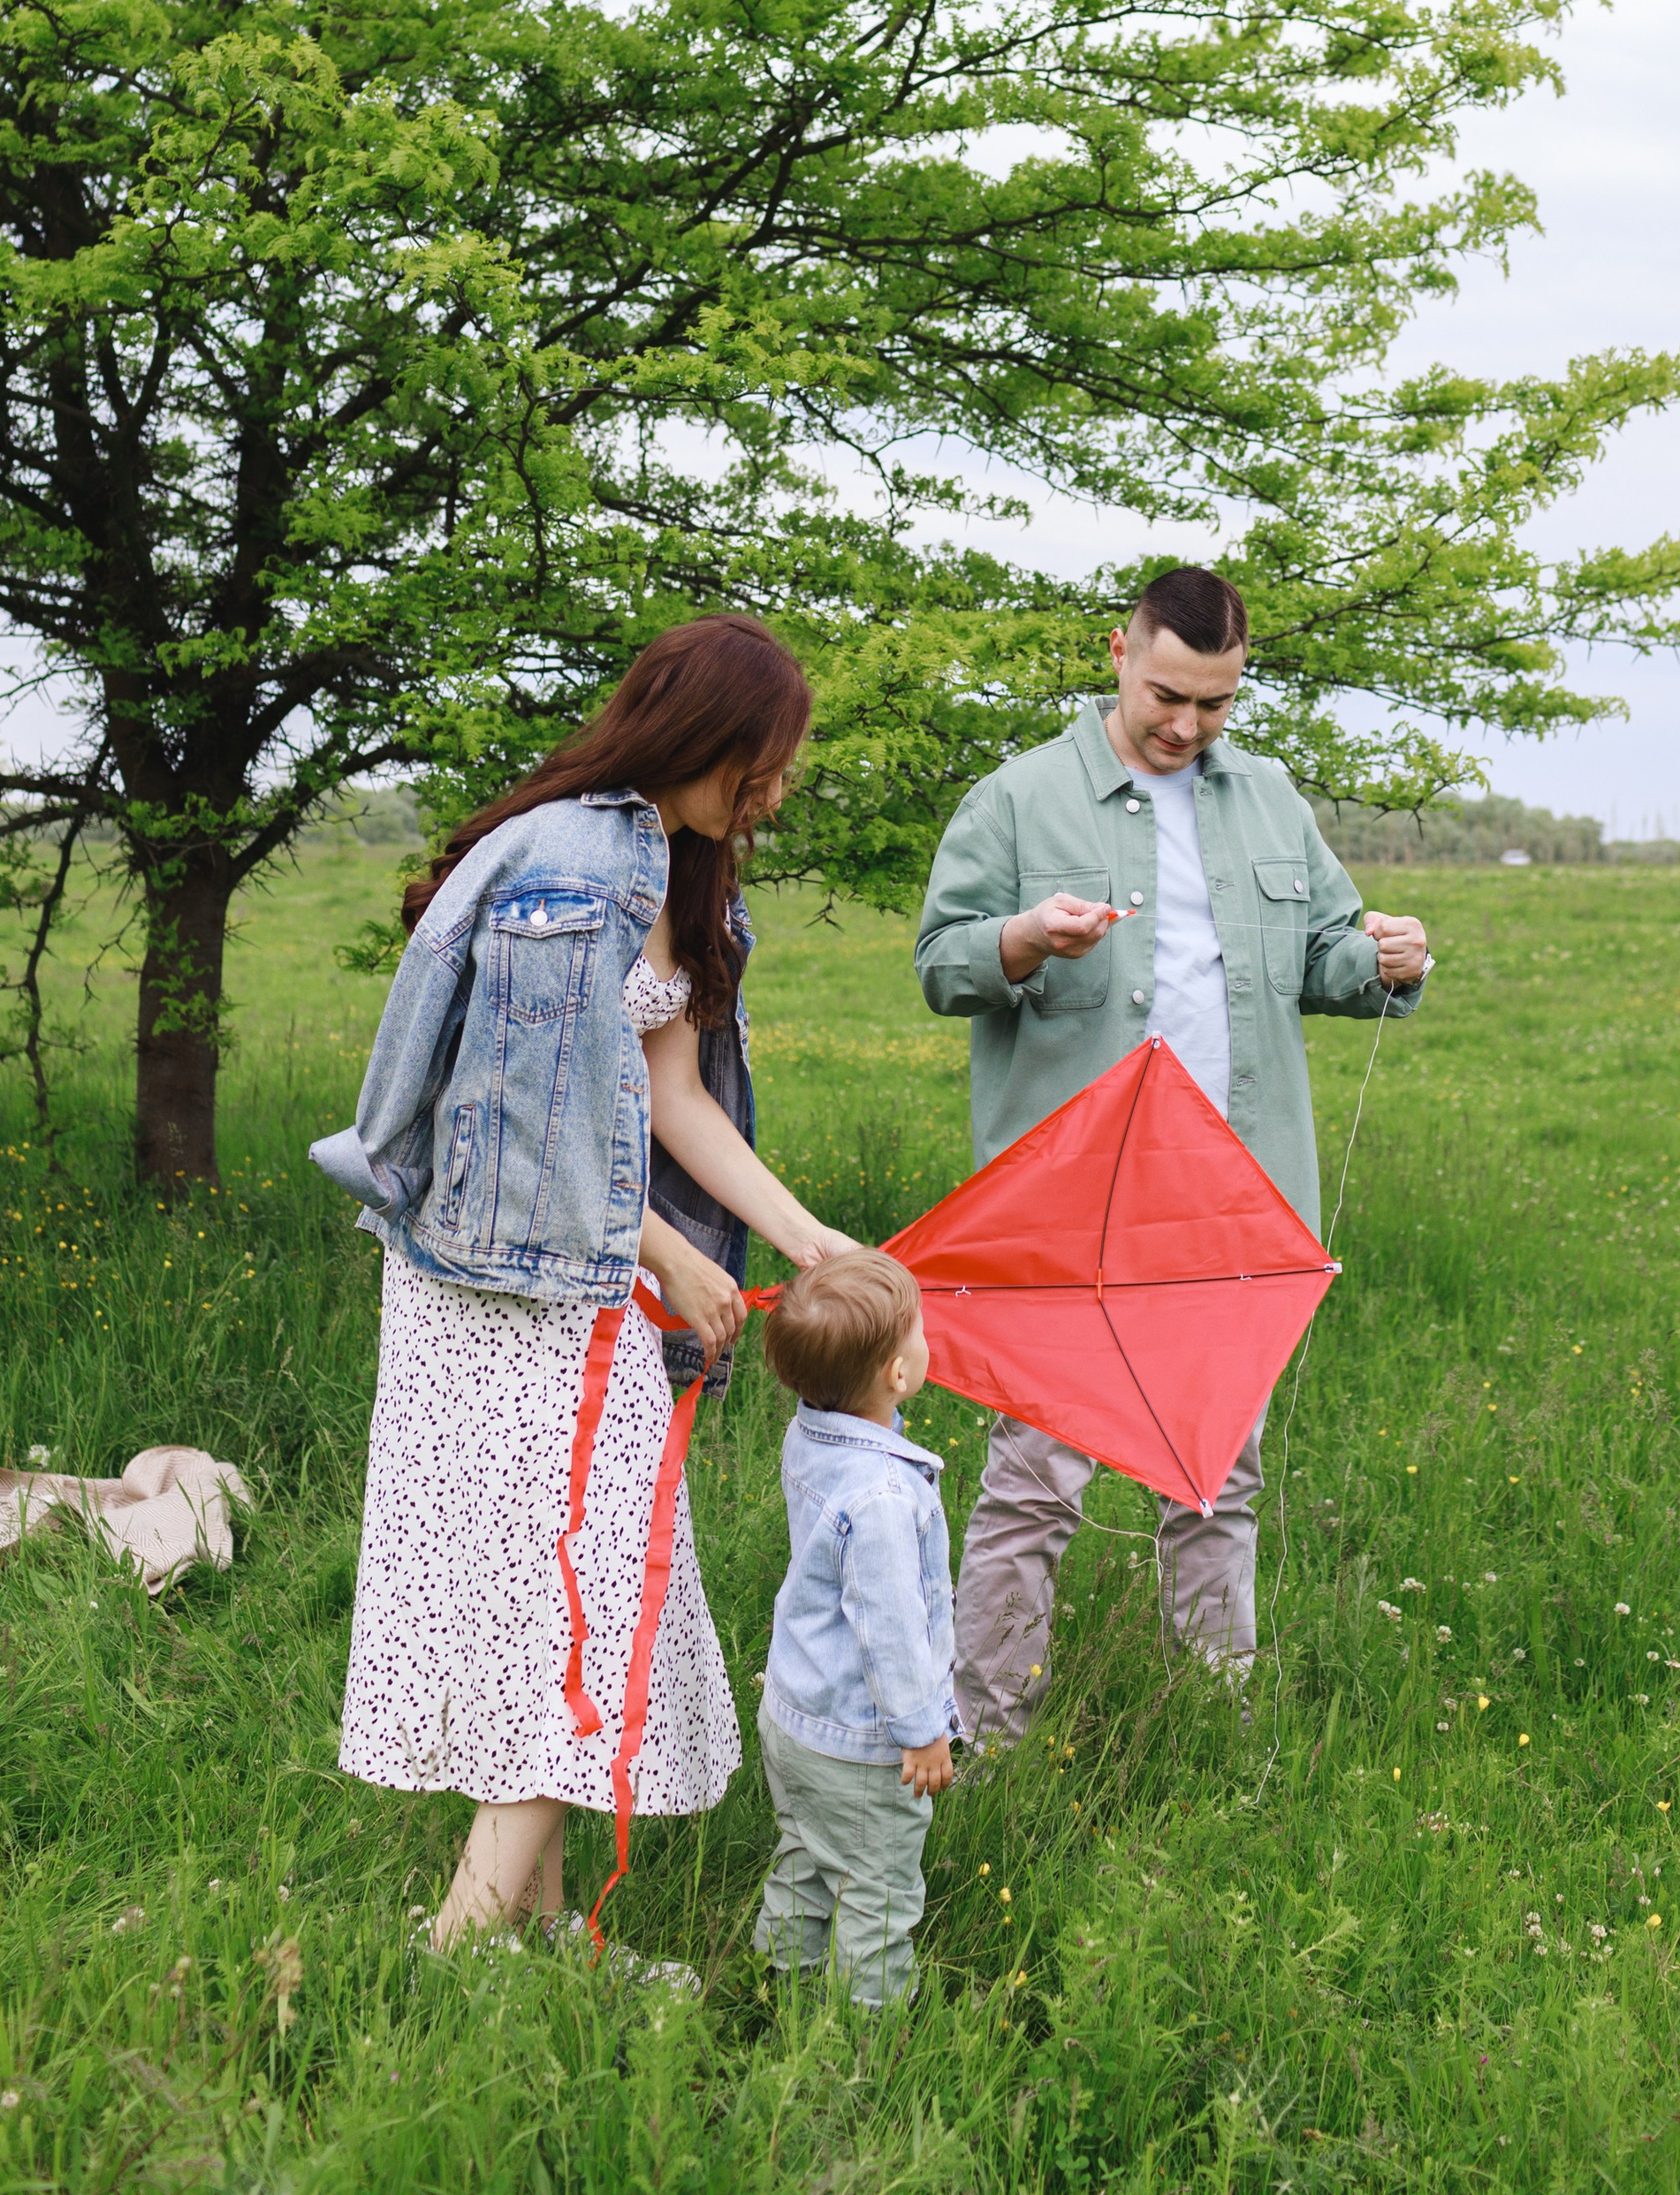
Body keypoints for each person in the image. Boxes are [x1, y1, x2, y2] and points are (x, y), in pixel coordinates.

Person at [317, 613, 854, 1951]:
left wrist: (809, 1242)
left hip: (580, 1291)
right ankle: (453, 1950)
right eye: (768, 757)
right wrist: (662, 1255)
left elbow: (666, 1096)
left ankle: (533, 1945)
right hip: (501, 1297)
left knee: (558, 1604)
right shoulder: (562, 866)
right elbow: (514, 1123)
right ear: (707, 737)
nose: (778, 787)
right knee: (590, 1607)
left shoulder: (685, 874)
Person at [914, 565, 1430, 1743]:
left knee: (1216, 1478)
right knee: (1035, 1481)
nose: (1186, 725)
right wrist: (1023, 938)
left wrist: (1389, 956)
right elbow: (942, 963)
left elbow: (1328, 958)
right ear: (1118, 653)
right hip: (1067, 1204)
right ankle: (982, 1735)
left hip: (1228, 1204)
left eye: (1214, 704)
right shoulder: (1017, 799)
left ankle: (1211, 1721)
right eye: (1167, 696)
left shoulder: (1270, 800)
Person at [751, 1252, 956, 2008]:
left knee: (804, 1853)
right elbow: (892, 1625)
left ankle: (778, 1985)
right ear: (897, 1376)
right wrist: (921, 1729)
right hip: (862, 1744)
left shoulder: (815, 1437)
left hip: (794, 1715)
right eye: (921, 1332)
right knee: (877, 1889)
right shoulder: (881, 1495)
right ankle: (862, 2044)